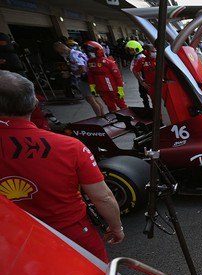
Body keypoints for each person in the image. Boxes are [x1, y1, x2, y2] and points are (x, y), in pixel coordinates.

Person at [0, 71, 124, 262]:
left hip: (10, 241)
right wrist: (116, 227)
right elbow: (103, 197)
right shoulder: (69, 146)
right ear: (34, 103)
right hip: (70, 235)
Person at [53, 42, 104, 116]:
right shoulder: (75, 53)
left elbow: (83, 69)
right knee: (94, 100)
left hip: (83, 80)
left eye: (59, 52)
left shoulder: (74, 55)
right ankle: (102, 115)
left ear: (62, 48)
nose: (60, 54)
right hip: (86, 79)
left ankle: (100, 117)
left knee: (91, 101)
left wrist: (70, 74)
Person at [84, 41, 127, 113]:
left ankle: (129, 119)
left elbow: (118, 76)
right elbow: (90, 75)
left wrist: (120, 89)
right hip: (101, 89)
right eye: (88, 52)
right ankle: (115, 119)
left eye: (91, 51)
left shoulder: (108, 62)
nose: (89, 53)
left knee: (122, 105)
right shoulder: (90, 62)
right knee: (110, 106)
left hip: (113, 88)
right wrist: (92, 87)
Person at [126, 40, 151, 109]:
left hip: (144, 80)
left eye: (131, 49)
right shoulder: (136, 57)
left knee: (149, 95)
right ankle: (147, 109)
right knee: (143, 96)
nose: (129, 51)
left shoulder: (141, 58)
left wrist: (142, 81)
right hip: (141, 80)